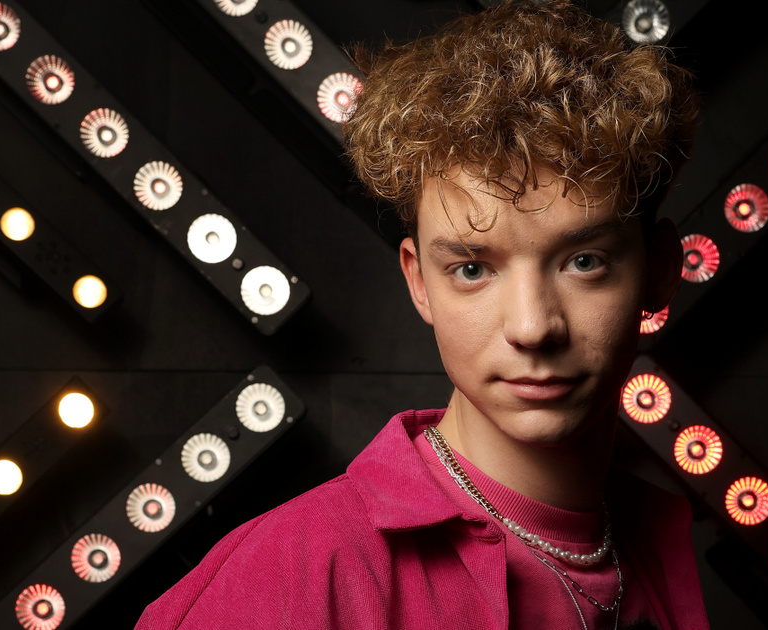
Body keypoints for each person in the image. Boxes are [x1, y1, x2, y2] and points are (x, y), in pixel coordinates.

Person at [134, 1, 704, 628]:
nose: (532, 327)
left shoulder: (650, 543)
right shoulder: (292, 577)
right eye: (472, 269)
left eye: (584, 261)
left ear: (660, 269)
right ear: (419, 282)